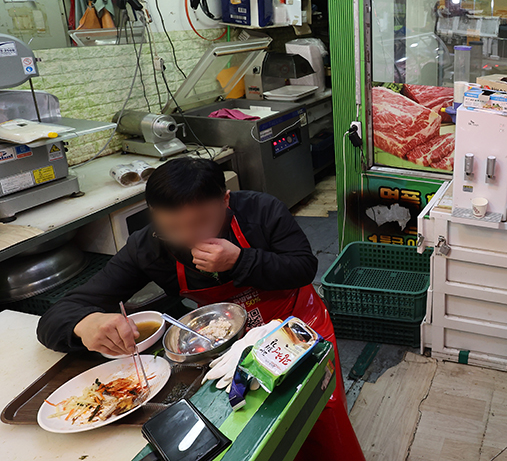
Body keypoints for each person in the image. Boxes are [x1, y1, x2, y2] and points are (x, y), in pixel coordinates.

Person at [37, 158, 364, 461]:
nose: (188, 236)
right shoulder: (149, 247)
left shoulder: (261, 210)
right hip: (220, 343)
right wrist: (85, 322)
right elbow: (59, 316)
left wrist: (240, 261)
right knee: (250, 427)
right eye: (173, 227)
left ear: (225, 200)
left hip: (296, 325)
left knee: (317, 410)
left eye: (201, 222)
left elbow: (303, 267)